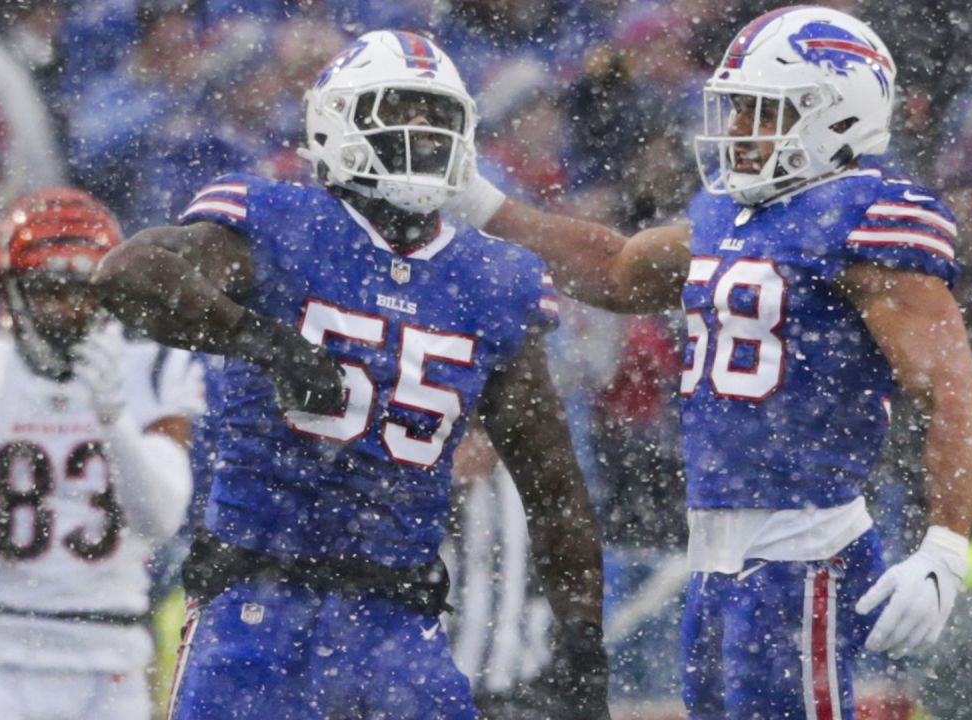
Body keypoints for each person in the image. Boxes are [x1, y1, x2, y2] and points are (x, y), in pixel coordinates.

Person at [441, 7, 972, 719]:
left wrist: (944, 545)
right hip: (715, 554)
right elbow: (615, 268)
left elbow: (951, 394)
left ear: (837, 117)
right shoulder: (732, 214)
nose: (736, 131)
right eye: (736, 111)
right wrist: (481, 202)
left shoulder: (864, 215)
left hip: (804, 552)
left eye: (762, 113)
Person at [93, 30, 609, 720]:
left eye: (436, 114)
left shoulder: (493, 278)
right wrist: (270, 344)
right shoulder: (280, 221)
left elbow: (554, 485)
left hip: (398, 618)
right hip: (255, 603)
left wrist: (582, 649)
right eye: (401, 107)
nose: (422, 130)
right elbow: (130, 276)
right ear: (339, 120)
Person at [0, 187, 202, 720]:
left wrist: (113, 421)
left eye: (85, 290)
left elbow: (159, 520)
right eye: (50, 290)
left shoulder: (150, 370)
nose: (71, 309)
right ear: (12, 292)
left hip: (109, 661)